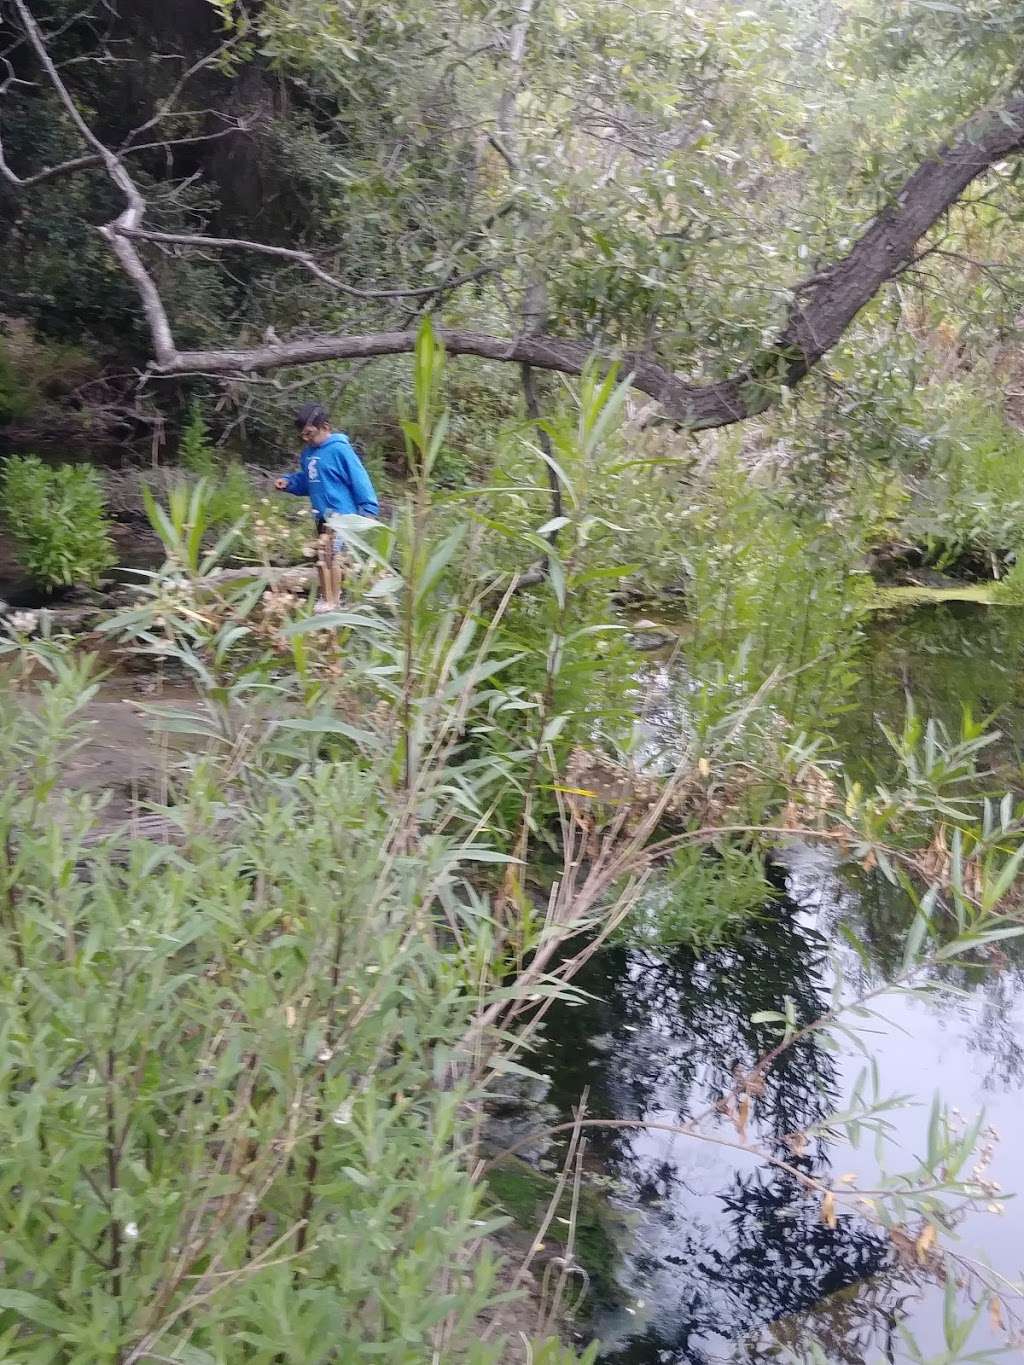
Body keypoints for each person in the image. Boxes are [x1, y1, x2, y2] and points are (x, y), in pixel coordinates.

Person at [275, 402, 380, 612]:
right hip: (321, 515)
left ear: (325, 427)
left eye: (310, 434)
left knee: (331, 556)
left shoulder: (340, 450)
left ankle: (334, 599)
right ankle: (327, 597)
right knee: (322, 558)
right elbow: (308, 481)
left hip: (342, 514)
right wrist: (289, 483)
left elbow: (359, 478)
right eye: (303, 436)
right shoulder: (308, 455)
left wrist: (368, 507)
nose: (307, 439)